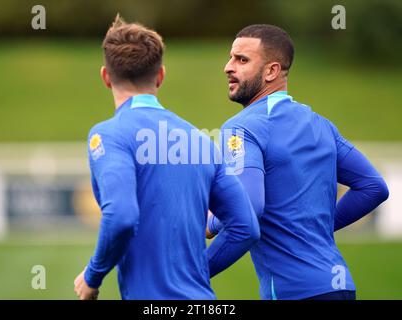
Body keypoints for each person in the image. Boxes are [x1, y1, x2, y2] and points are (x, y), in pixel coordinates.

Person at [73, 16, 260, 300]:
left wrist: (92, 275)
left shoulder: (109, 135)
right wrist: (195, 274)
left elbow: (121, 215)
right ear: (160, 76)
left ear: (105, 77)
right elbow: (245, 226)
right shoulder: (200, 140)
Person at [207, 24, 389, 300]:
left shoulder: (242, 128)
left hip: (294, 291)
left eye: (241, 60)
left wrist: (195, 266)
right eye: (231, 57)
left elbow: (247, 209)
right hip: (339, 286)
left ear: (272, 71)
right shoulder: (321, 125)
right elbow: (373, 187)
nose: (228, 67)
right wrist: (316, 229)